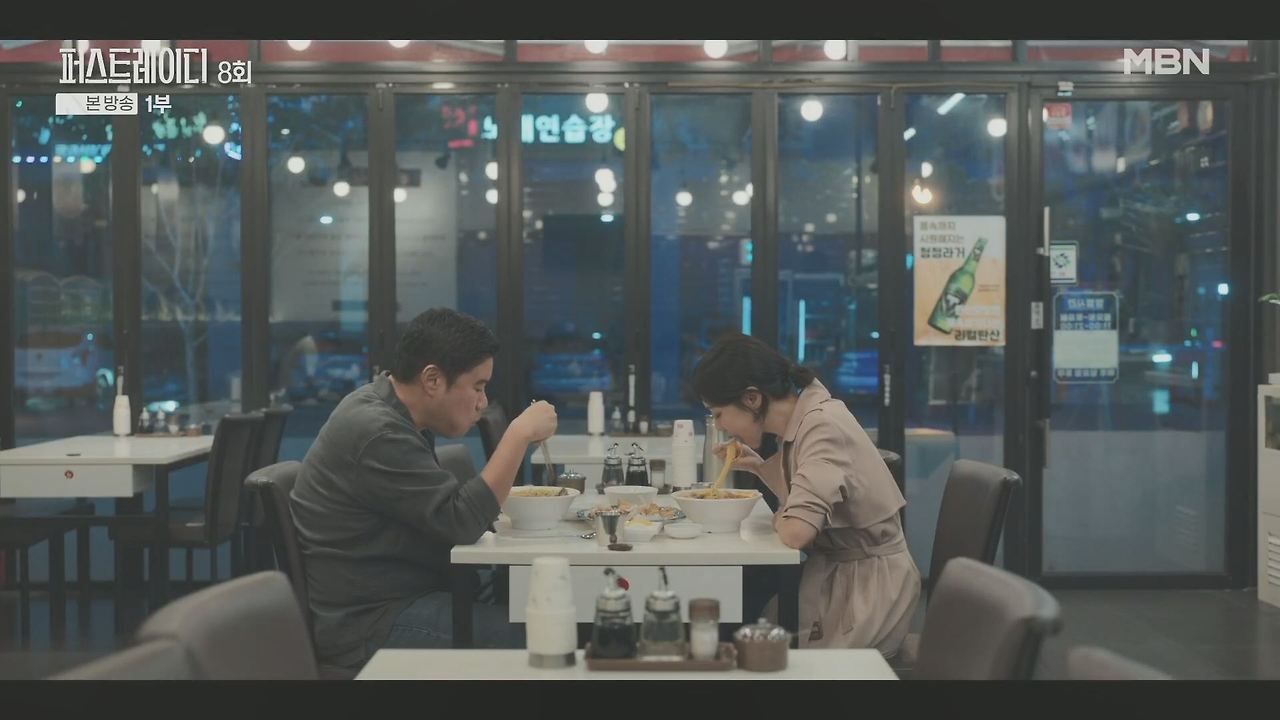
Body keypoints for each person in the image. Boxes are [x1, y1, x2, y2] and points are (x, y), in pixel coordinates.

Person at [290, 308, 557, 670]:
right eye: (478, 387)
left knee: (541, 614)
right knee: (547, 633)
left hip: (403, 597)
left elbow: (450, 516)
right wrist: (518, 434)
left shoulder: (389, 412)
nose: (482, 402)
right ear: (432, 379)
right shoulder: (378, 431)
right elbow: (461, 521)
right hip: (372, 623)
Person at [693, 333, 920, 656]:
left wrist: (782, 518)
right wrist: (759, 467)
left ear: (752, 398)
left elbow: (797, 532)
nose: (721, 426)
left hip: (867, 589)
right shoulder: (806, 418)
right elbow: (811, 491)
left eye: (718, 414)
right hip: (840, 573)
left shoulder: (821, 426)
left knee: (745, 624)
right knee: (744, 604)